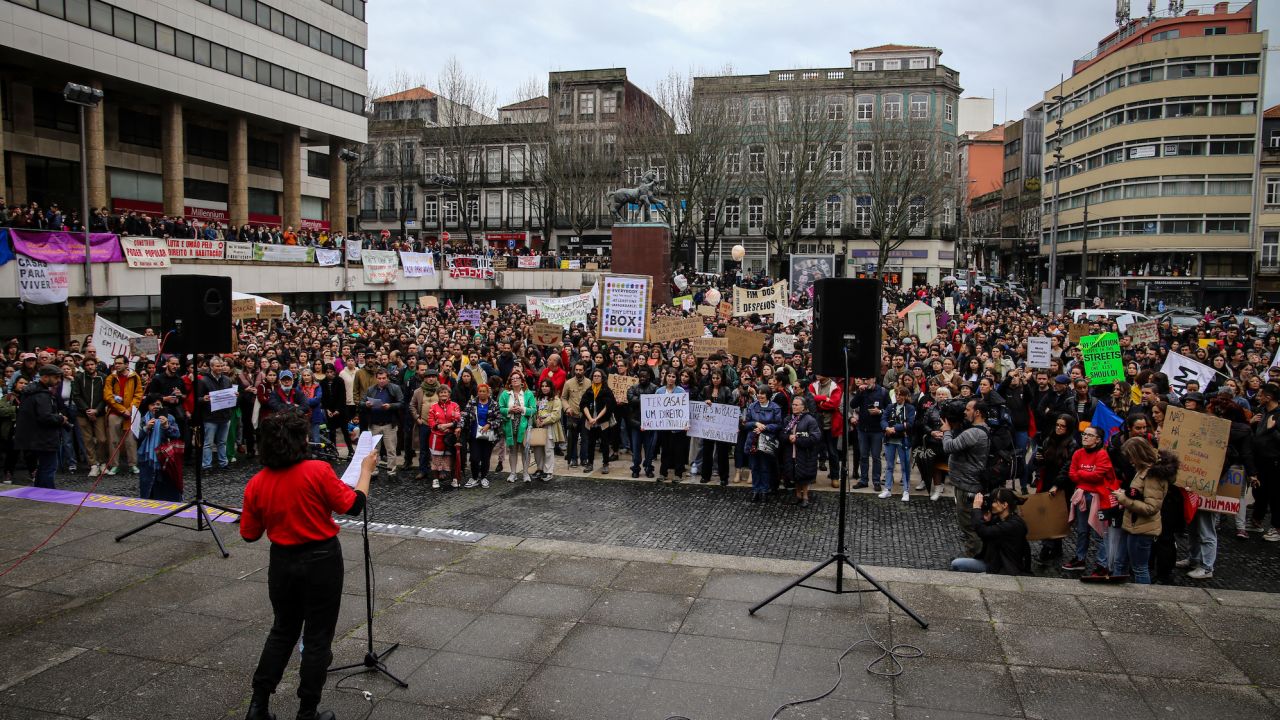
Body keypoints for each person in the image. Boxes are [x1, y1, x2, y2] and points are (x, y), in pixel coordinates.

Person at [241, 410, 376, 720]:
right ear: (299, 441)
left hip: (282, 562)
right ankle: (307, 711)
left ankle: (258, 706)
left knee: (282, 631)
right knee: (317, 637)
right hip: (322, 561)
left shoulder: (257, 483)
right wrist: (366, 469)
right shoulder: (317, 470)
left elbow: (249, 535)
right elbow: (353, 505)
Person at [1103, 437, 1174, 584]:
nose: (1129, 461)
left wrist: (1124, 499)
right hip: (1132, 525)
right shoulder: (1143, 470)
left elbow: (1151, 507)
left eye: (1130, 457)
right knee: (1119, 562)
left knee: (1139, 568)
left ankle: (1143, 599)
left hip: (1142, 529)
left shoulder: (1153, 476)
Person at [1065, 426, 1120, 576]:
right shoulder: (1078, 453)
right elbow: (1072, 475)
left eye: (1089, 435)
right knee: (1082, 531)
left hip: (1099, 497)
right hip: (1082, 495)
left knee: (1100, 533)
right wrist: (1087, 473)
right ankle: (1080, 559)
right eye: (1084, 434)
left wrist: (1081, 473)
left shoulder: (1102, 454)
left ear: (1098, 440)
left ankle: (1102, 565)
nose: (1085, 437)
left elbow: (1097, 476)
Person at [941, 399, 990, 558]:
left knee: (969, 525)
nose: (964, 412)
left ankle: (974, 558)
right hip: (968, 483)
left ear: (977, 413)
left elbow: (949, 447)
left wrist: (946, 430)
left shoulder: (973, 433)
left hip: (967, 485)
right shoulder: (979, 430)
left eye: (968, 409)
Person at [949, 489, 1031, 575]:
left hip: (1003, 568)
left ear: (1004, 505)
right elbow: (988, 536)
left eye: (994, 501)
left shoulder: (1014, 525)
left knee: (956, 563)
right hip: (993, 561)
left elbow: (984, 532)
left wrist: (976, 509)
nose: (991, 504)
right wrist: (987, 522)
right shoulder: (999, 518)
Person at [13, 365, 69, 489]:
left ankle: (39, 493)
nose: (58, 380)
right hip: (44, 437)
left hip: (34, 436)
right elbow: (45, 417)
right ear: (44, 377)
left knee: (43, 467)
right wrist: (61, 418)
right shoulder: (41, 395)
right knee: (49, 467)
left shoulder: (31, 391)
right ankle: (48, 494)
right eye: (55, 377)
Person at [135, 392, 181, 500]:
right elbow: (137, 437)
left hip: (164, 456)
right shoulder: (143, 419)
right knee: (147, 481)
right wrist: (146, 428)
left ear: (162, 406)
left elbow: (177, 434)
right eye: (152, 404)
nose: (155, 407)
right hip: (146, 457)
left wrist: (166, 426)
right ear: (148, 406)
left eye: (158, 404)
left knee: (166, 482)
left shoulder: (169, 418)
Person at [742, 384, 782, 503]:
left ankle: (764, 490)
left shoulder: (775, 408)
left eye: (762, 394)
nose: (759, 396)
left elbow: (778, 425)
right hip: (753, 440)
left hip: (766, 441)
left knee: (765, 467)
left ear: (768, 395)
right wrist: (755, 424)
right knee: (754, 467)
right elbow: (745, 423)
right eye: (758, 393)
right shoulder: (752, 406)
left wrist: (765, 427)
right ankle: (756, 490)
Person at [104, 355, 143, 475]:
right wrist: (122, 409)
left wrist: (130, 409)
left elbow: (138, 394)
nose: (117, 365)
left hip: (130, 413)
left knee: (131, 440)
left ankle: (133, 464)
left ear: (127, 364)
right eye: (116, 363)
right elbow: (108, 396)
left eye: (120, 363)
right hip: (115, 412)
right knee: (113, 440)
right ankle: (114, 465)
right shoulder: (111, 378)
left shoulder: (135, 377)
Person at [782, 395, 821, 507]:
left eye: (796, 405)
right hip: (791, 452)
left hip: (805, 453)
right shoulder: (788, 419)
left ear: (803, 407)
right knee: (795, 475)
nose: (793, 407)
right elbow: (782, 434)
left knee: (804, 476)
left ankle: (805, 497)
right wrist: (788, 438)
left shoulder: (810, 420)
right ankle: (798, 495)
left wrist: (798, 440)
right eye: (793, 404)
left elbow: (815, 437)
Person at [71, 355, 107, 476]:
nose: (90, 367)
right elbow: (76, 395)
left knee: (102, 439)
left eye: (92, 364)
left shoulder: (103, 377)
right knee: (88, 440)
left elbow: (105, 396)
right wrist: (87, 409)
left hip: (99, 413)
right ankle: (93, 464)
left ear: (96, 365)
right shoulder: (79, 377)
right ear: (84, 366)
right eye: (87, 365)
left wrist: (96, 410)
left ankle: (102, 462)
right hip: (83, 413)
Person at [852, 376, 890, 491]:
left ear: (873, 379)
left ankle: (876, 481)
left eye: (867, 379)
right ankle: (864, 480)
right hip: (862, 429)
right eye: (863, 379)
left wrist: (880, 411)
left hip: (877, 430)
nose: (865, 382)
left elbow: (889, 409)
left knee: (876, 457)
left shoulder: (883, 392)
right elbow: (852, 405)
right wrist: (859, 392)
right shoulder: (861, 392)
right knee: (863, 456)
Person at [363, 370, 403, 475]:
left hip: (389, 424)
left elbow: (402, 403)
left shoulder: (395, 388)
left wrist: (391, 406)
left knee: (391, 449)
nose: (381, 381)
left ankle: (391, 470)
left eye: (384, 378)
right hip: (375, 424)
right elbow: (362, 402)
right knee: (374, 450)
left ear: (387, 378)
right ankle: (374, 470)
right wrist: (366, 404)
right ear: (376, 378)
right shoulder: (371, 389)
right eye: (379, 378)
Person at [881, 383, 915, 502]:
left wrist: (894, 428)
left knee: (905, 466)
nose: (898, 396)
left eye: (900, 395)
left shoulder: (910, 408)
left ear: (905, 396)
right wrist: (886, 428)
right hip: (890, 439)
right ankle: (887, 489)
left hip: (903, 440)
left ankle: (906, 490)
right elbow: (883, 419)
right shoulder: (890, 407)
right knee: (889, 465)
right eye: (896, 394)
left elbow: (910, 424)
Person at [499, 372, 536, 482]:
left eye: (517, 378)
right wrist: (509, 410)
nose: (515, 380)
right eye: (512, 378)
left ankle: (525, 473)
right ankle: (513, 473)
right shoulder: (505, 394)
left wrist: (522, 409)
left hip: (524, 427)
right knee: (512, 450)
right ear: (510, 382)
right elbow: (500, 409)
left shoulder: (528, 394)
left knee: (525, 450)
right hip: (510, 426)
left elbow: (534, 409)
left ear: (522, 381)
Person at [199, 357, 235, 470]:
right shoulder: (204, 380)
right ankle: (207, 465)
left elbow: (231, 395)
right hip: (210, 417)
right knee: (208, 443)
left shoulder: (227, 379)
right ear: (211, 367)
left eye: (221, 365)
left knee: (222, 442)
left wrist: (235, 396)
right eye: (217, 366)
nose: (220, 368)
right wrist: (202, 399)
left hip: (225, 416)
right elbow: (197, 398)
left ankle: (223, 463)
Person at [580, 368, 616, 475]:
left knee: (605, 444)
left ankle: (605, 464)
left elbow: (608, 406)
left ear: (602, 378)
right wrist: (590, 418)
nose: (596, 378)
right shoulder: (589, 390)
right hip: (591, 422)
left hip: (602, 422)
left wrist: (597, 419)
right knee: (590, 443)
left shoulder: (606, 390)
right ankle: (590, 463)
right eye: (594, 376)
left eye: (598, 376)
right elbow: (583, 405)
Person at [655, 370, 690, 482]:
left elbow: (685, 409)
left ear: (676, 378)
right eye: (669, 376)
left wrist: (685, 423)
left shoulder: (681, 391)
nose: (670, 378)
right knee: (665, 450)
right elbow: (654, 409)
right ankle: (662, 473)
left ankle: (678, 474)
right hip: (664, 427)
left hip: (677, 428)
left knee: (678, 451)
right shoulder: (659, 391)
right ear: (665, 377)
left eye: (673, 376)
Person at [463, 383, 500, 488]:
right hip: (474, 435)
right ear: (477, 392)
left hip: (488, 436)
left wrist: (489, 424)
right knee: (474, 458)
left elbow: (499, 419)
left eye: (484, 391)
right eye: (480, 391)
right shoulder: (472, 402)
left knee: (485, 458)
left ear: (488, 393)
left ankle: (484, 477)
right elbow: (465, 415)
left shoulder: (494, 404)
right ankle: (474, 477)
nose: (482, 393)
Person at [426, 385, 463, 489]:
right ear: (438, 394)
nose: (443, 394)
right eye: (441, 392)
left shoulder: (455, 405)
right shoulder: (433, 407)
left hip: (451, 436)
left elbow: (457, 418)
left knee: (451, 459)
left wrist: (447, 426)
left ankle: (454, 479)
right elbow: (430, 420)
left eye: (445, 392)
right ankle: (435, 480)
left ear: (449, 394)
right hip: (437, 437)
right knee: (435, 459)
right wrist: (438, 427)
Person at [625, 367, 659, 479]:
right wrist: (646, 399)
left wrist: (640, 399)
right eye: (641, 376)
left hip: (650, 424)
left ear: (649, 376)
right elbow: (631, 400)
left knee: (649, 449)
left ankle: (648, 467)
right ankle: (635, 468)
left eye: (645, 376)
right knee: (636, 448)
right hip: (636, 423)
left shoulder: (655, 388)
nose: (643, 378)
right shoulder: (633, 388)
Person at [531, 379, 563, 481]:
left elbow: (556, 415)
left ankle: (548, 471)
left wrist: (544, 421)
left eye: (546, 386)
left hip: (549, 427)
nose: (544, 388)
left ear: (551, 387)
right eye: (542, 386)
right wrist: (536, 420)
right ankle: (539, 469)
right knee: (538, 449)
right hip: (538, 426)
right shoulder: (538, 398)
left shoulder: (556, 399)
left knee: (548, 449)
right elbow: (534, 411)